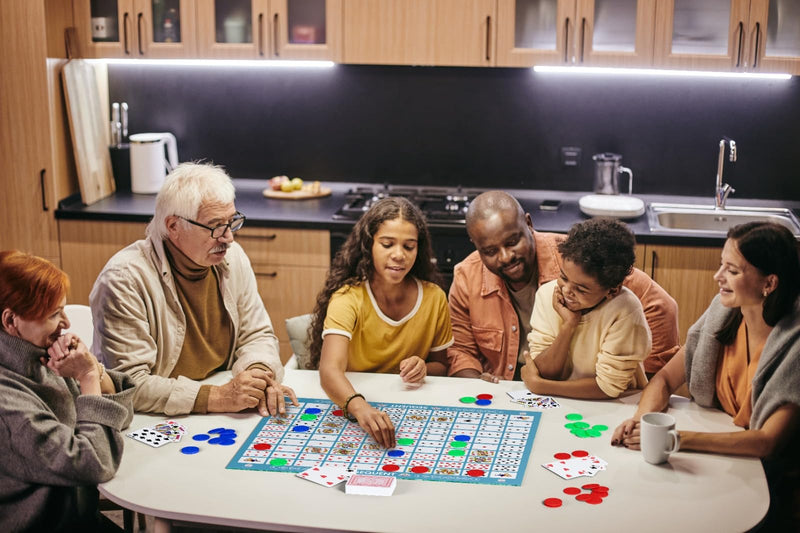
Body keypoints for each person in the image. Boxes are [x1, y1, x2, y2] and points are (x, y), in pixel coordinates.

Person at [611, 222, 800, 528]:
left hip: (770, 484)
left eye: (732, 270)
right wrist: (643, 419)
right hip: (720, 462)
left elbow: (768, 443)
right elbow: (664, 379)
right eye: (720, 265)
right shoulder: (722, 315)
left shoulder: (795, 346)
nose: (718, 277)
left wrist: (674, 440)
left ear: (770, 283)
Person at [90, 163, 297, 417]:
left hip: (220, 409)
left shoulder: (233, 258)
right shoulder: (123, 280)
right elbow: (130, 383)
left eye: (231, 222)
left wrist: (257, 373)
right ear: (174, 226)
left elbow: (257, 335)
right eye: (214, 226)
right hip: (153, 418)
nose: (228, 238)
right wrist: (219, 396)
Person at [448, 190, 679, 382]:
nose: (506, 256)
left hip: (577, 391)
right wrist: (476, 382)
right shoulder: (466, 277)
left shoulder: (573, 258)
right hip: (506, 389)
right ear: (475, 245)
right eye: (490, 251)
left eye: (512, 242)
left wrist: (648, 380)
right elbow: (461, 352)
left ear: (529, 224)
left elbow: (660, 306)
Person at [0, 250, 135, 531]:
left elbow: (120, 418)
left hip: (80, 518)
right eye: (53, 314)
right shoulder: (7, 404)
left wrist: (94, 372)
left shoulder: (40, 355)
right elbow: (95, 463)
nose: (67, 323)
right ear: (11, 321)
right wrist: (86, 377)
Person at [309, 197, 453, 448]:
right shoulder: (348, 298)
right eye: (387, 244)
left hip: (409, 407)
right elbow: (329, 371)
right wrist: (361, 408)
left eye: (409, 247)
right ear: (369, 246)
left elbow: (441, 365)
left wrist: (423, 367)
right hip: (353, 405)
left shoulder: (435, 298)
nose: (399, 255)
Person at [521, 218, 651, 398]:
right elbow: (544, 372)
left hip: (618, 405)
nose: (567, 291)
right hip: (564, 401)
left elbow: (608, 387)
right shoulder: (547, 294)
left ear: (612, 290)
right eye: (564, 277)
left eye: (581, 289)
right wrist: (568, 326)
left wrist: (542, 387)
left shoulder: (625, 310)